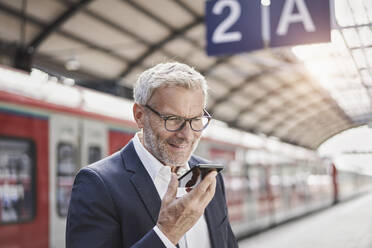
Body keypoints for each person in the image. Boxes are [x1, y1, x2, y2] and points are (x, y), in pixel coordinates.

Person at [66, 62, 238, 248]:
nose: (186, 135)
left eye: (196, 119)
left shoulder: (209, 177)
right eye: (172, 119)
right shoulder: (98, 184)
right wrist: (167, 233)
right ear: (139, 115)